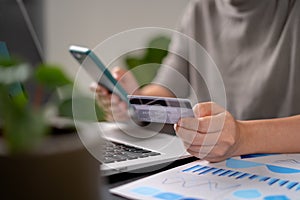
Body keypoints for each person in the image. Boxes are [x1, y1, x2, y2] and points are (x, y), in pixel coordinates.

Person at [91, 0, 300, 162]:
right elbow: (168, 87)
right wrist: (134, 102)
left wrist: (242, 137)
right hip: (218, 171)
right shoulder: (200, 9)